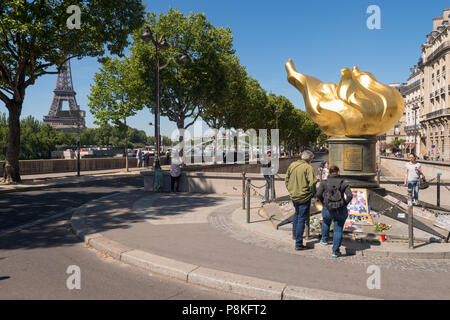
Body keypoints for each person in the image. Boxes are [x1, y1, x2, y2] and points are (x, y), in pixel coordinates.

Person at [316, 165, 353, 258]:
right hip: (340, 209)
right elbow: (350, 195)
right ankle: (335, 251)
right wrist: (344, 203)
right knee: (338, 229)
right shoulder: (343, 182)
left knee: (325, 222)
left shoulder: (324, 182)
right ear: (338, 172)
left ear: (329, 172)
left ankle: (324, 240)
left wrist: (324, 202)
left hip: (327, 207)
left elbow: (318, 194)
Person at [285, 150, 317, 250]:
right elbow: (312, 183)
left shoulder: (292, 165)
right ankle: (298, 243)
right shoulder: (308, 167)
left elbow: (286, 180)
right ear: (310, 159)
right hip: (304, 196)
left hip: (294, 195)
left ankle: (295, 235)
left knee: (297, 214)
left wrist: (291, 190)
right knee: (302, 219)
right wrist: (312, 193)